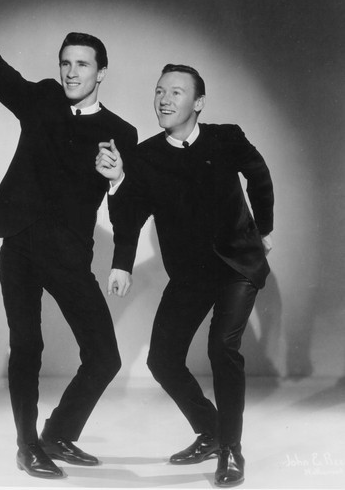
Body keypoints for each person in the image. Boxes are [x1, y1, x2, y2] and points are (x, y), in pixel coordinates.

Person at [0, 0, 137, 480]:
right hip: (20, 245)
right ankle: (26, 445)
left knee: (104, 357)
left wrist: (118, 179)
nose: (71, 72)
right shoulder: (39, 99)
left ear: (101, 72)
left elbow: (130, 208)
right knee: (27, 347)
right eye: (65, 63)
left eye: (82, 65)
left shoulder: (122, 132)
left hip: (68, 254)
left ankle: (57, 434)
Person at [96, 63, 274, 487]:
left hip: (237, 264)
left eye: (176, 92)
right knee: (162, 360)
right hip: (191, 274)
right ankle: (212, 432)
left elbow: (259, 175)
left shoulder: (226, 137)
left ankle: (230, 451)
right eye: (159, 91)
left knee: (222, 347)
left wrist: (264, 229)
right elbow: (130, 215)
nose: (164, 99)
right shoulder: (146, 156)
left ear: (198, 103)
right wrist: (118, 183)